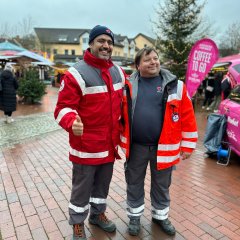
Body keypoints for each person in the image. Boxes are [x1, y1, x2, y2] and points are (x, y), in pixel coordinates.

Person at [54, 25, 125, 240]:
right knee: (81, 189)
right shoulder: (76, 73)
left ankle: (97, 214)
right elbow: (62, 107)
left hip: (108, 146)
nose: (106, 45)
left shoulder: (118, 72)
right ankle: (77, 222)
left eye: (109, 42)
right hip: (86, 146)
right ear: (91, 43)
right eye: (101, 41)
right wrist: (70, 121)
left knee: (102, 185)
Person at [120, 47, 198, 236]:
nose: (154, 62)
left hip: (164, 148)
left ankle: (160, 216)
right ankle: (135, 217)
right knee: (134, 182)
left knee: (162, 185)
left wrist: (188, 145)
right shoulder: (127, 86)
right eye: (148, 60)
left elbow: (188, 117)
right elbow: (118, 116)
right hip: (136, 146)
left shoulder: (176, 86)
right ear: (138, 65)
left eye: (156, 58)